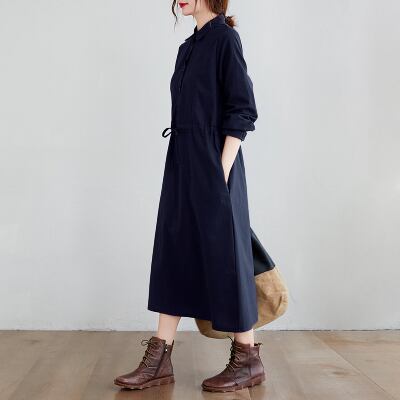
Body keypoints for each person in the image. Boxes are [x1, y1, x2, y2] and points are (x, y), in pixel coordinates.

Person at [114, 0, 265, 392]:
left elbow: (242, 109)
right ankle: (159, 358)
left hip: (215, 164)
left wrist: (221, 170)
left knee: (227, 258)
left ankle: (248, 359)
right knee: (174, 252)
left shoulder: (225, 39)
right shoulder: (188, 47)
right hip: (182, 161)